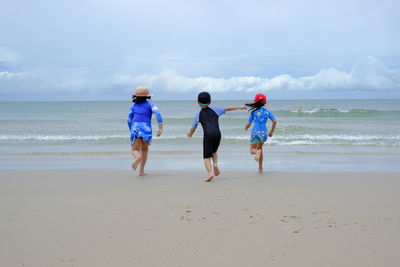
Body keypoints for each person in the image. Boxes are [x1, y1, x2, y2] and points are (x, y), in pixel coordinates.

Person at [187, 92, 246, 182]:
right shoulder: (216, 110)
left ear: (198, 103)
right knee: (214, 151)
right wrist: (240, 107)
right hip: (218, 134)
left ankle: (210, 173)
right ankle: (215, 164)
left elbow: (193, 127)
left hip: (208, 135)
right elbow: (228, 108)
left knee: (206, 157)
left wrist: (190, 134)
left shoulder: (198, 114)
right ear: (210, 102)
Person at [127, 86, 163, 176]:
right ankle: (141, 171)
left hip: (135, 127)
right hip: (146, 128)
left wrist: (131, 129)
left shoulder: (133, 106)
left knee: (135, 149)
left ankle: (137, 157)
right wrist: (160, 127)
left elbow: (128, 119)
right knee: (145, 150)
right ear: (148, 96)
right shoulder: (150, 105)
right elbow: (157, 114)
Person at [245, 93, 277, 173]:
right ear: (265, 102)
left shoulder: (253, 112)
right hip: (264, 134)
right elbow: (274, 121)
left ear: (255, 102)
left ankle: (257, 152)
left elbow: (249, 123)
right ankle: (260, 167)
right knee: (260, 148)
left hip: (255, 133)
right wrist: (271, 132)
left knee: (252, 150)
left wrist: (246, 127)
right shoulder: (267, 112)